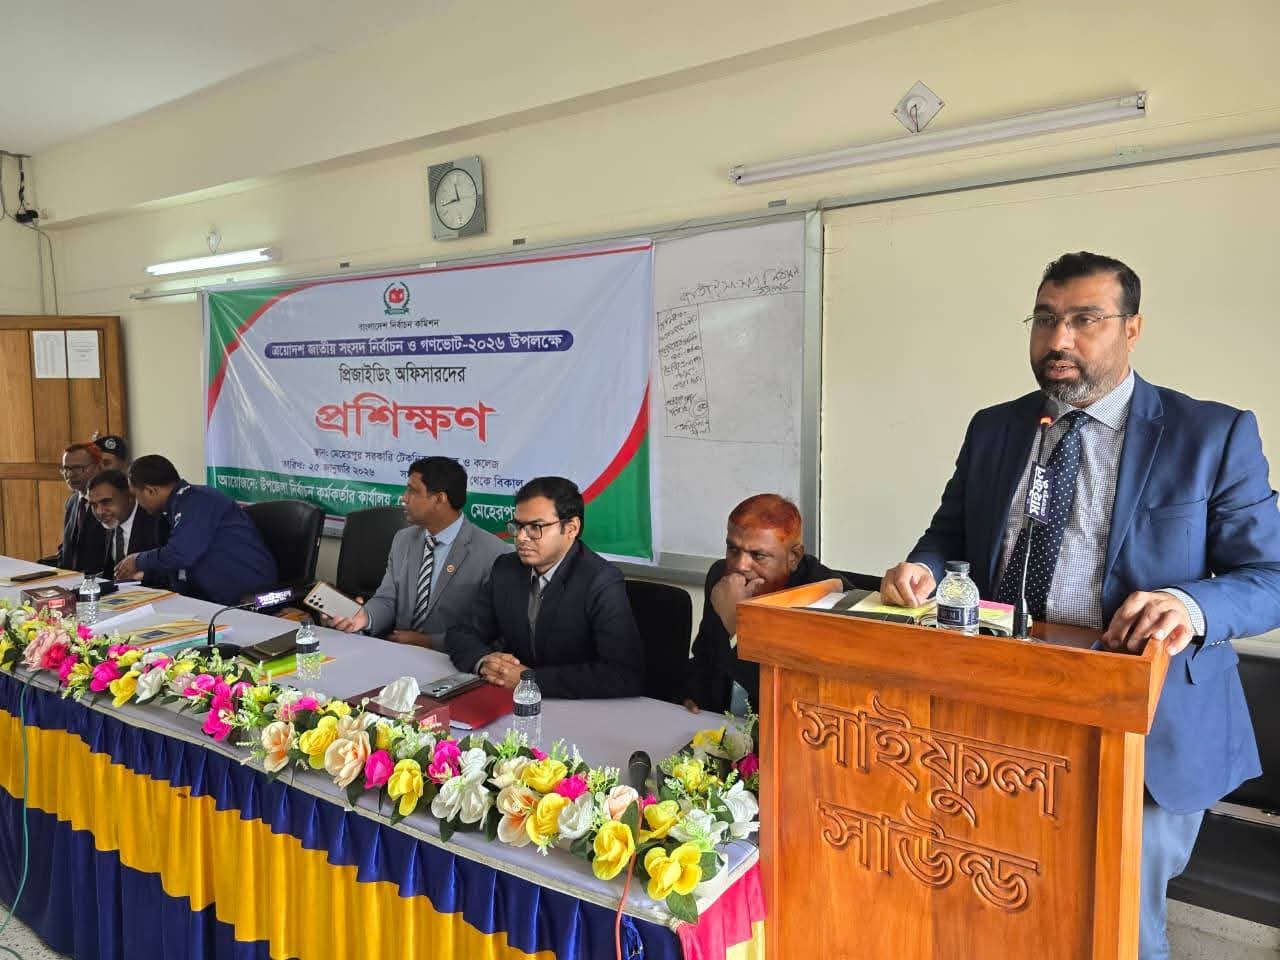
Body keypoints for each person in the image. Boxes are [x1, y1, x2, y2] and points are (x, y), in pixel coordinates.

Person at [879, 251, 1280, 960]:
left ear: (1132, 329)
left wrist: (1188, 604)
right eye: (1044, 320)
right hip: (1004, 711)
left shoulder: (1210, 435)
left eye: (1084, 320)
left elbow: (1270, 575)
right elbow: (950, 534)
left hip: (1145, 728)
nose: (1058, 339)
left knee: (1117, 928)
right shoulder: (996, 428)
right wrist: (923, 569)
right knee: (1002, 905)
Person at [445, 476, 644, 699]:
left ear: (571, 528)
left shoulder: (600, 581)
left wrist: (530, 680)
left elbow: (623, 674)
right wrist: (484, 662)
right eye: (518, 526)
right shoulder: (506, 568)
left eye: (535, 527)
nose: (521, 537)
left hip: (577, 706)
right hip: (512, 701)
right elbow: (461, 632)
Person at [325, 456, 510, 648]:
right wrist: (365, 617)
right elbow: (387, 600)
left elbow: (491, 632)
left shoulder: (494, 553)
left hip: (452, 658)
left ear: (439, 499)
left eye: (413, 491)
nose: (404, 498)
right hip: (397, 651)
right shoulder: (403, 540)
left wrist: (428, 642)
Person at [684, 494, 844, 716]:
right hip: (720, 725)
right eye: (733, 549)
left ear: (794, 557)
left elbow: (792, 697)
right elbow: (704, 658)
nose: (740, 565)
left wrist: (735, 624)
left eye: (758, 555)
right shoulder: (721, 579)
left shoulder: (824, 598)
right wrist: (690, 695)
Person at [114, 455, 278, 606]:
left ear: (151, 491)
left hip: (245, 597)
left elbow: (180, 554)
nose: (138, 502)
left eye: (136, 495)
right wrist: (147, 574)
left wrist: (138, 561)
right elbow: (180, 564)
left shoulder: (198, 502)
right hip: (209, 598)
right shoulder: (174, 508)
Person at [86, 470, 168, 583]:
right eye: (94, 505)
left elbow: (172, 569)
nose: (99, 512)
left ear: (129, 497)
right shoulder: (107, 522)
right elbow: (109, 572)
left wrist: (145, 576)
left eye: (106, 502)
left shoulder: (157, 522)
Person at [44, 442, 109, 573]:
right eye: (66, 469)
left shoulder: (110, 502)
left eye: (77, 468)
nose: (70, 475)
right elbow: (67, 548)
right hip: (69, 577)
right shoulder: (72, 501)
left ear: (99, 467)